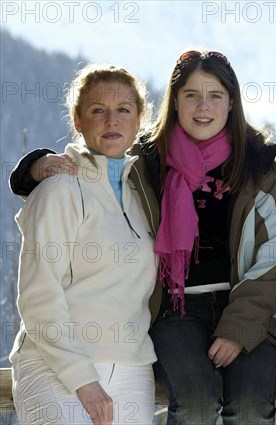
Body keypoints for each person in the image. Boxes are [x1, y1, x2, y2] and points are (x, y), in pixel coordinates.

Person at [10, 49, 276, 425]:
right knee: (194, 405)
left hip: (237, 312)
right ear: (174, 102)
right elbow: (97, 154)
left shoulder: (258, 166)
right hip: (173, 310)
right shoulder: (149, 162)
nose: (203, 106)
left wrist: (239, 327)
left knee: (248, 408)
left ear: (232, 102)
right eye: (191, 95)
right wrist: (34, 167)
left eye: (215, 95)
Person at [9, 64, 158, 425]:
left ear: (139, 120)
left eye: (123, 110)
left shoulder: (146, 193)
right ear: (77, 121)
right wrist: (83, 379)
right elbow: (38, 295)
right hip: (56, 364)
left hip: (133, 365)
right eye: (97, 110)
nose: (111, 120)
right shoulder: (58, 186)